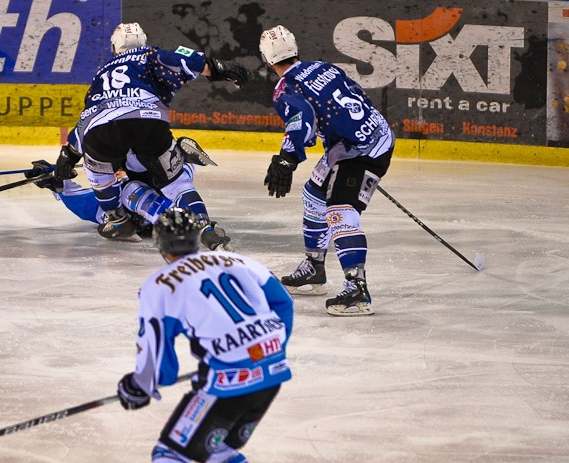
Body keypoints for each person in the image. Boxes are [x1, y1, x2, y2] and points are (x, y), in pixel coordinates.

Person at [115, 207, 294, 463]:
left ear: (160, 244)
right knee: (220, 447)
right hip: (272, 371)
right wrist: (264, 351)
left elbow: (158, 367)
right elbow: (283, 303)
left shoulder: (159, 285)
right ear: (196, 241)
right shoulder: (236, 259)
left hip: (228, 383)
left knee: (168, 454)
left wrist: (137, 387)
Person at [53, 22, 249, 249]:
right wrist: (217, 68)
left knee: (99, 172)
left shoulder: (101, 73)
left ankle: (117, 220)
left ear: (115, 47)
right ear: (143, 41)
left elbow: (87, 119)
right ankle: (205, 228)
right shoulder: (149, 54)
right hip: (148, 121)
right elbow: (181, 59)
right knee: (177, 183)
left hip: (102, 129)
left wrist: (68, 154)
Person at [260, 25, 395, 316]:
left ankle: (357, 290)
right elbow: (355, 95)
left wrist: (287, 159)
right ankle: (314, 267)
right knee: (314, 195)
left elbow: (302, 122)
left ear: (267, 60)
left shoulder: (286, 89)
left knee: (340, 210)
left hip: (361, 150)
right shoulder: (323, 67)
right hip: (365, 138)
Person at [25, 135, 233, 250]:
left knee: (131, 188)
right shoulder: (109, 200)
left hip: (152, 190)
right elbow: (81, 202)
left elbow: (79, 200)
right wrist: (56, 181)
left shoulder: (108, 190)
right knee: (133, 189)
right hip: (153, 201)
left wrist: (58, 181)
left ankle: (180, 168)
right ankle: (181, 165)